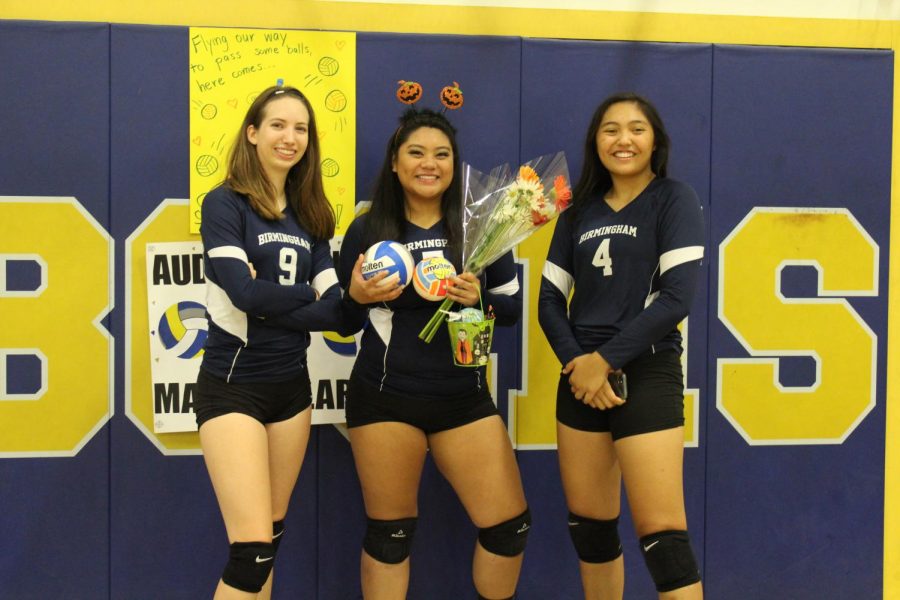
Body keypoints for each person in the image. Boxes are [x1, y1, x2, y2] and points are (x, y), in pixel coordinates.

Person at [338, 108, 530, 600]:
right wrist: (356, 297)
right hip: (385, 397)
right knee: (391, 535)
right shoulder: (367, 230)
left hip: (462, 398)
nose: (430, 163)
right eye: (416, 153)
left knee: (509, 527)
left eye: (441, 154)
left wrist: (478, 300)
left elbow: (509, 310)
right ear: (396, 164)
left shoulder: (481, 229)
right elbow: (341, 321)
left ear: (454, 165)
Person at [538, 92, 705, 599]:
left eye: (636, 128)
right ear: (596, 141)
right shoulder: (577, 213)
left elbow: (676, 299)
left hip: (646, 372)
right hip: (580, 382)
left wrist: (604, 362)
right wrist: (578, 364)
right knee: (590, 531)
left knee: (663, 541)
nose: (623, 139)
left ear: (655, 141)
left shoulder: (674, 199)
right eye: (610, 129)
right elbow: (548, 299)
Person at [195, 83, 353, 599]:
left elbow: (337, 315)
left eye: (301, 128)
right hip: (233, 386)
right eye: (278, 125)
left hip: (292, 392)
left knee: (271, 540)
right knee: (251, 551)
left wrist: (353, 296)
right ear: (253, 133)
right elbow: (242, 294)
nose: (290, 137)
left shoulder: (311, 215)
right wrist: (305, 295)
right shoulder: (225, 204)